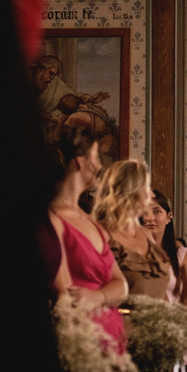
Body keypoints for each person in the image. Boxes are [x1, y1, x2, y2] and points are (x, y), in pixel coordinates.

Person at [48, 124, 129, 351]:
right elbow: (65, 300)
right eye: (96, 157)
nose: (100, 166)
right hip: (82, 346)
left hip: (113, 345)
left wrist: (98, 297)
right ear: (80, 161)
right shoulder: (53, 219)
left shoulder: (91, 221)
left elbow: (121, 286)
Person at [92, 159, 175, 302]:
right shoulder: (102, 234)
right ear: (130, 191)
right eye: (146, 187)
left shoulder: (145, 234)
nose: (152, 195)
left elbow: (161, 292)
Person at [145, 189, 187, 307]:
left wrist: (174, 318)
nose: (150, 218)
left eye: (156, 211)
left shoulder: (184, 256)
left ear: (169, 217)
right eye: (144, 212)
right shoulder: (128, 253)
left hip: (175, 316)